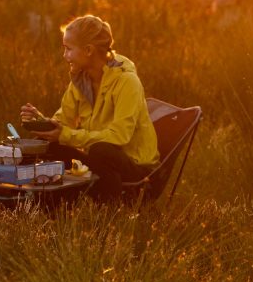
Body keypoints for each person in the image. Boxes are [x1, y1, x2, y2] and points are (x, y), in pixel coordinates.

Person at [22, 15, 158, 200]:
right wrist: (43, 123)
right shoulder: (80, 79)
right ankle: (56, 204)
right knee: (51, 145)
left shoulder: (127, 81)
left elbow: (119, 136)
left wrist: (67, 135)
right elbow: (64, 120)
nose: (65, 56)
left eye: (68, 49)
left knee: (100, 150)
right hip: (98, 158)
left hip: (135, 167)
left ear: (88, 50)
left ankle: (112, 207)